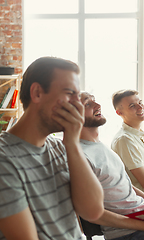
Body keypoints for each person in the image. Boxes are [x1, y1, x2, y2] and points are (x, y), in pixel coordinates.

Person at [0, 57, 104, 240]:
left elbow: (93, 211)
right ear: (36, 92)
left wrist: (73, 144)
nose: (78, 105)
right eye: (70, 93)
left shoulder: (59, 147)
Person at [80, 91, 144, 239]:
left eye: (95, 100)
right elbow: (93, 214)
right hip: (129, 233)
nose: (98, 105)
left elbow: (126, 185)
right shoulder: (81, 156)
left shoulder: (99, 146)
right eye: (88, 103)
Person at [111, 90, 144, 192]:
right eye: (132, 106)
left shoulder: (138, 134)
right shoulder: (125, 140)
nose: (140, 107)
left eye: (140, 102)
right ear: (119, 113)